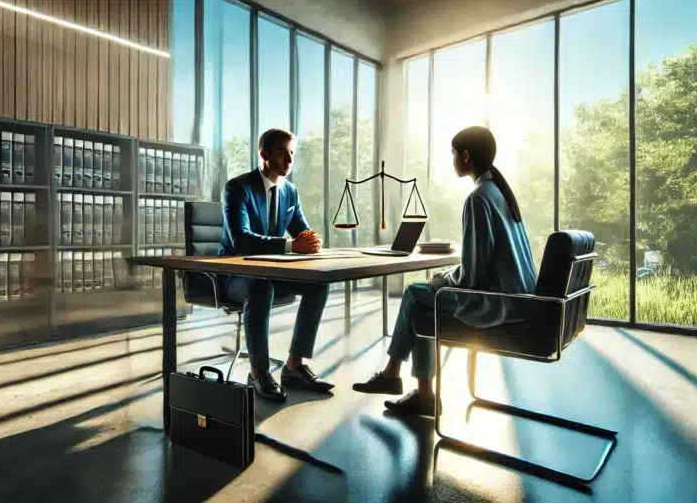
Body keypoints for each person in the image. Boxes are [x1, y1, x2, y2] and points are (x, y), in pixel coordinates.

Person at [352, 126, 538, 416]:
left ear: (466, 155)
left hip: (498, 305)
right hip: (520, 300)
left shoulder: (478, 198)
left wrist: (441, 281)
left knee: (416, 295)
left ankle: (398, 378)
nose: (451, 160)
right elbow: (483, 264)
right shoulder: (499, 193)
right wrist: (443, 280)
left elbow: (472, 277)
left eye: (453, 153)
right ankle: (409, 385)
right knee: (425, 299)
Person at [220, 128, 335, 403]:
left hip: (270, 273)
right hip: (235, 275)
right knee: (260, 288)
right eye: (282, 152)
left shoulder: (290, 192)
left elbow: (302, 233)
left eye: (292, 153)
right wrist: (291, 246)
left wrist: (311, 241)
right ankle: (259, 373)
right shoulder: (238, 188)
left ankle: (294, 366)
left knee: (319, 283)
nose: (289, 159)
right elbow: (241, 240)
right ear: (264, 154)